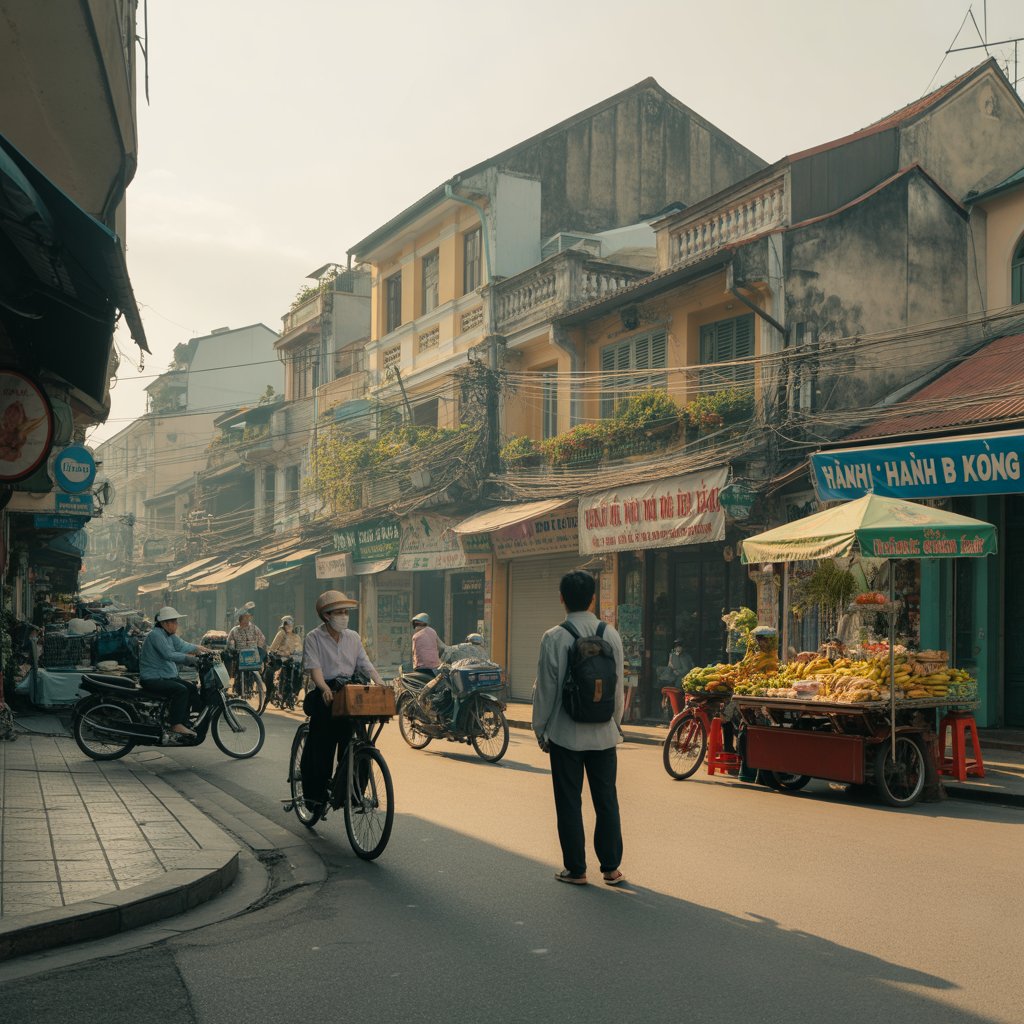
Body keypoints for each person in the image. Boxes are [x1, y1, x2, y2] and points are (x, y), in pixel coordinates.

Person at [532, 570, 626, 887]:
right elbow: (618, 688)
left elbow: (546, 689)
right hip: (603, 733)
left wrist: (540, 728)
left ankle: (576, 869)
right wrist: (615, 724)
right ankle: (611, 868)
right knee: (606, 800)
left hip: (565, 734)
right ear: (593, 598)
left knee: (569, 802)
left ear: (562, 598)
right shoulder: (610, 633)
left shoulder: (554, 637)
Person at [300, 590, 384, 809]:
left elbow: (365, 664)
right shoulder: (313, 637)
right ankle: (315, 796)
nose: (344, 616)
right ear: (327, 615)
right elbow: (314, 668)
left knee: (359, 745)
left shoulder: (353, 637)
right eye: (340, 612)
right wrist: (324, 687)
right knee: (322, 746)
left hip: (349, 694)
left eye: (346, 612)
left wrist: (380, 683)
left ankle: (354, 794)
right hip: (325, 692)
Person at [138, 607, 211, 737]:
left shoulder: (169, 635)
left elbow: (182, 645)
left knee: (191, 688)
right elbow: (168, 654)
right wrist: (190, 659)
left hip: (165, 676)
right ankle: (176, 724)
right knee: (181, 690)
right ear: (165, 623)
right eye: (175, 622)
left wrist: (200, 649)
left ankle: (185, 720)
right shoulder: (156, 635)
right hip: (153, 678)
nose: (177, 624)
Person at [226, 608, 267, 686]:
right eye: (245, 618)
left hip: (253, 654)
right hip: (240, 654)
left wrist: (258, 648)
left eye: (248, 618)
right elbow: (229, 642)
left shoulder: (254, 628)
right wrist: (232, 648)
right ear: (240, 619)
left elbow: (262, 638)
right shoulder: (235, 630)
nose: (247, 620)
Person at [266, 614, 302, 696]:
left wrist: (296, 652)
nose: (288, 626)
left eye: (290, 624)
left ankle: (295, 693)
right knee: (283, 672)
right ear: (283, 625)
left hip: (293, 658)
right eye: (286, 624)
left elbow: (300, 648)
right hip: (281, 658)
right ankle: (279, 691)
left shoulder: (296, 636)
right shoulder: (281, 634)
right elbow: (273, 648)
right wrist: (281, 653)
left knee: (298, 672)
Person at [410, 611, 444, 676]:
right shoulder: (433, 631)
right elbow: (441, 647)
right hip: (435, 667)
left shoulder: (415, 636)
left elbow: (413, 653)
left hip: (420, 667)